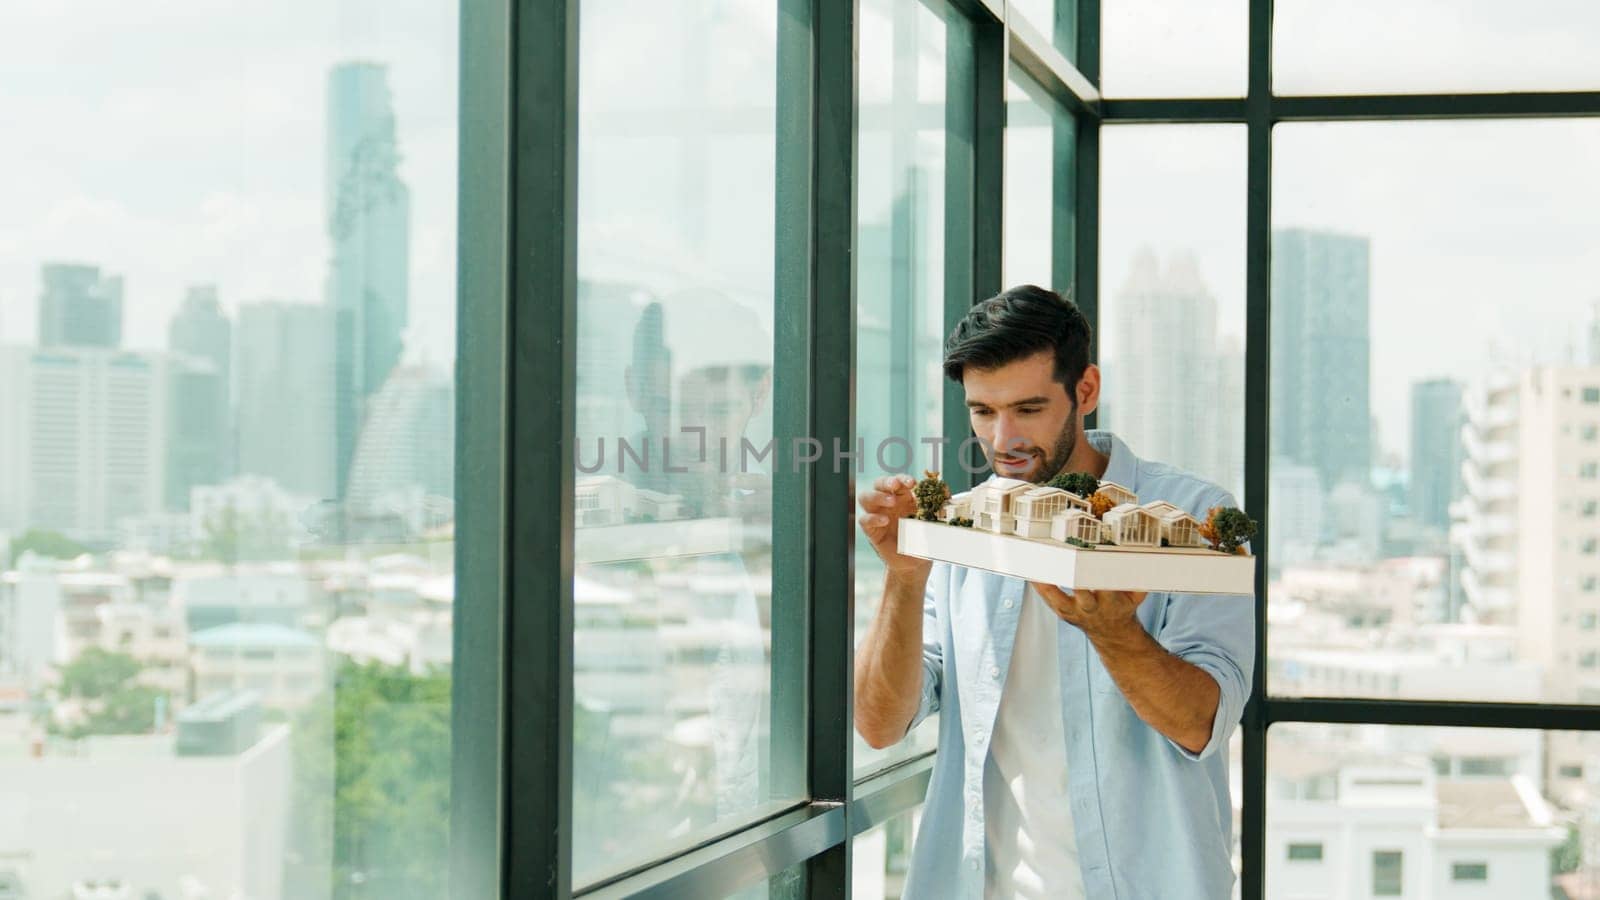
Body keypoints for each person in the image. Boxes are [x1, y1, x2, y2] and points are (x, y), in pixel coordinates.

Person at [854, 285, 1253, 899]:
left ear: (1085, 391)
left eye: (1029, 408)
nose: (1004, 439)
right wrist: (905, 581)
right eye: (983, 412)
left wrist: (1112, 631)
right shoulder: (960, 529)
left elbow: (1203, 723)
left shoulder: (1197, 519)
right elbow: (880, 726)